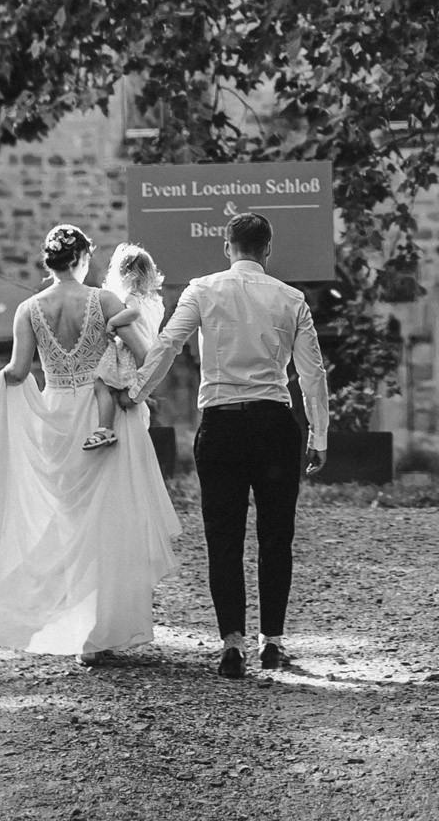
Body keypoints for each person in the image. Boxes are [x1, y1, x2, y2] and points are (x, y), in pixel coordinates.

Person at [0, 223, 181, 661]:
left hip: (56, 417)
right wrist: (130, 390)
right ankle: (98, 635)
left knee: (67, 521)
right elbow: (147, 356)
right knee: (107, 521)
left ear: (47, 262)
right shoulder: (104, 301)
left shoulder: (28, 308)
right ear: (83, 258)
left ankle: (70, 624)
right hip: (104, 417)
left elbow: (17, 371)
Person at [123, 211, 328, 679]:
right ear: (268, 249)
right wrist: (319, 435)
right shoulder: (291, 299)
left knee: (223, 537)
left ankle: (232, 644)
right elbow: (311, 374)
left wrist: (134, 392)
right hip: (275, 426)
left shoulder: (201, 290)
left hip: (221, 426)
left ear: (226, 246)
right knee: (277, 537)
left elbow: (168, 345)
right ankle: (272, 642)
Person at [84, 243, 165, 451]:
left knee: (102, 385)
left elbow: (134, 314)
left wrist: (113, 322)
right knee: (126, 398)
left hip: (129, 354)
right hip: (149, 353)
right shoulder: (157, 302)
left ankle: (105, 428)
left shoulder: (131, 299)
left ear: (124, 274)